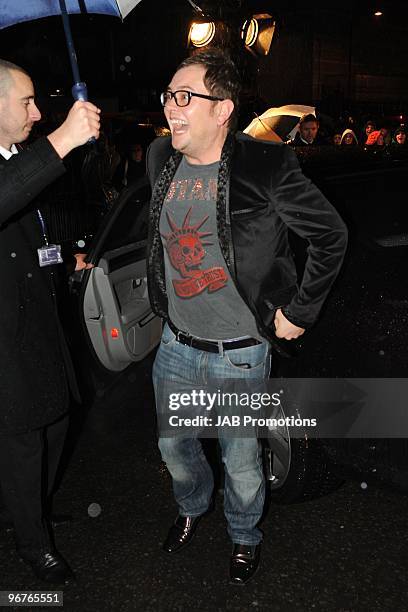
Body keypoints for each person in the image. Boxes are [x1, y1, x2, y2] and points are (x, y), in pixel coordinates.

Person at [146, 49, 347, 585]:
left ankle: (243, 535)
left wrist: (298, 312)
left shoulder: (267, 165)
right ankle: (191, 506)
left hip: (239, 352)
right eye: (168, 95)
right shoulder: (157, 158)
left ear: (223, 109)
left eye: (186, 96)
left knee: (240, 461)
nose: (172, 107)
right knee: (175, 448)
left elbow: (329, 236)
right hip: (175, 345)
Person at [0, 59, 100, 584]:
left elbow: (24, 232)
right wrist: (63, 137)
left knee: (56, 422)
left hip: (37, 321)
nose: (37, 112)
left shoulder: (15, 156)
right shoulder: (17, 165)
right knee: (21, 439)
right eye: (26, 101)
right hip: (4, 335)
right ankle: (30, 540)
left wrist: (63, 256)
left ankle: (29, 509)